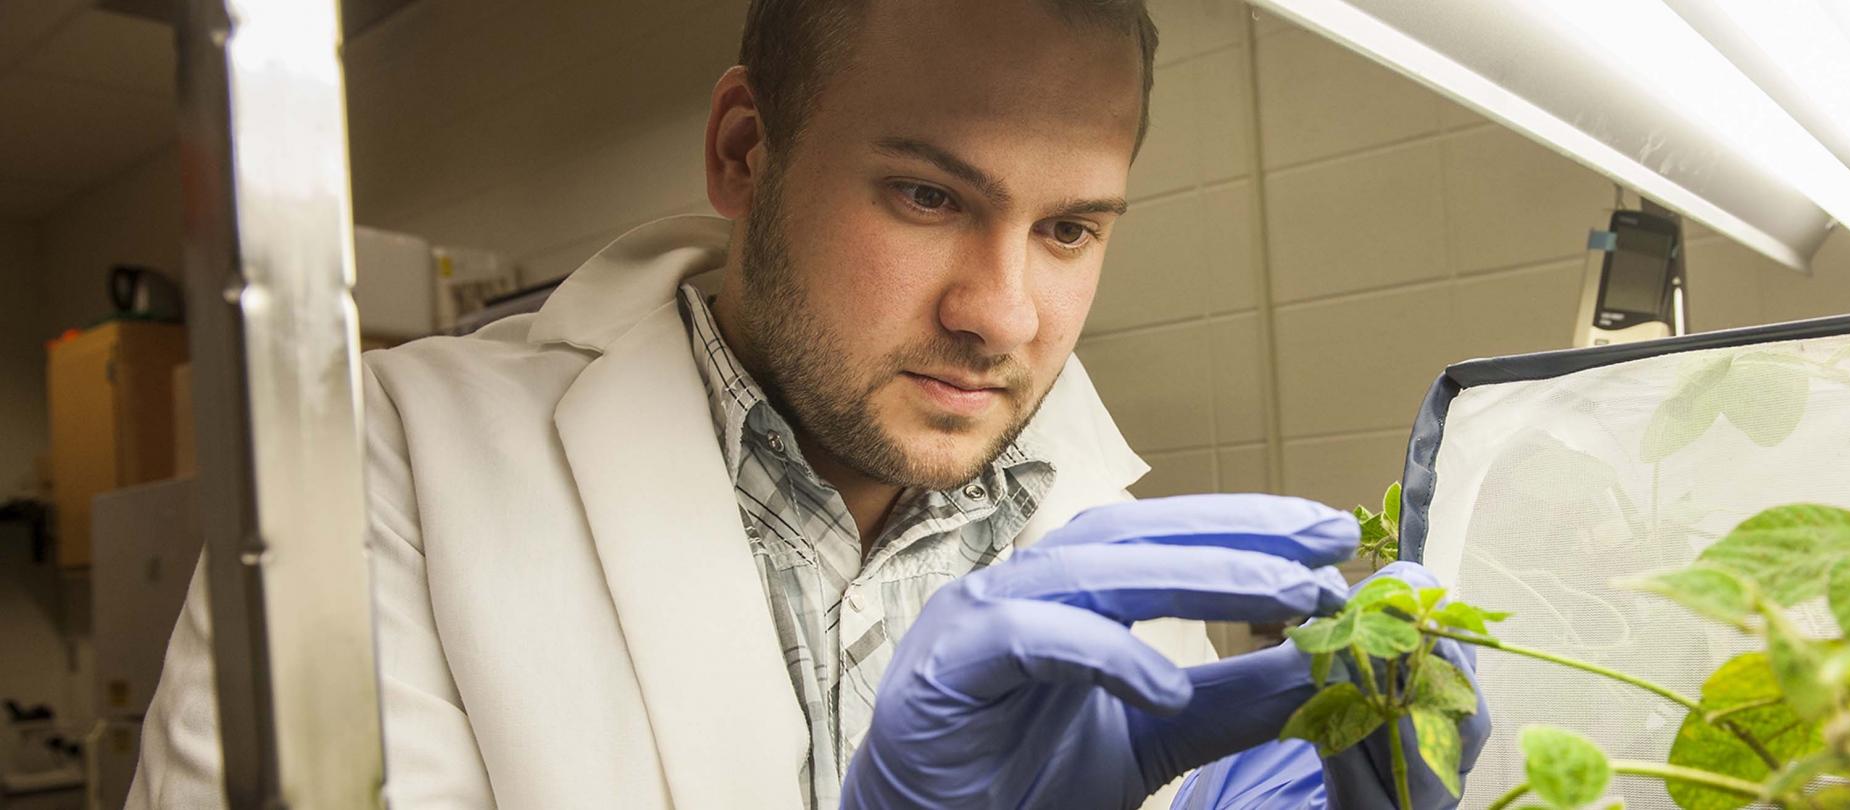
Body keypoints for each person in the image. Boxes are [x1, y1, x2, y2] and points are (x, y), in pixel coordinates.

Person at [129, 1, 1490, 807]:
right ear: (743, 151)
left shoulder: (1095, 527)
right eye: (927, 195)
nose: (1002, 313)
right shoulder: (396, 462)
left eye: (1070, 229)